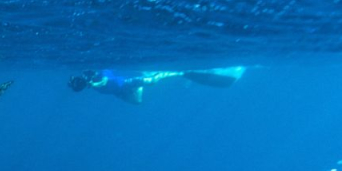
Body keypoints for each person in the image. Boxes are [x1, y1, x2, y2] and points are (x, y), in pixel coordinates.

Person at [67, 66, 245, 104]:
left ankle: (179, 72)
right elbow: (104, 83)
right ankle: (176, 73)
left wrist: (92, 78)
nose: (83, 82)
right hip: (125, 88)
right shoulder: (94, 84)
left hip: (127, 84)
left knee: (150, 82)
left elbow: (104, 78)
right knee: (138, 100)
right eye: (81, 85)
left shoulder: (94, 78)